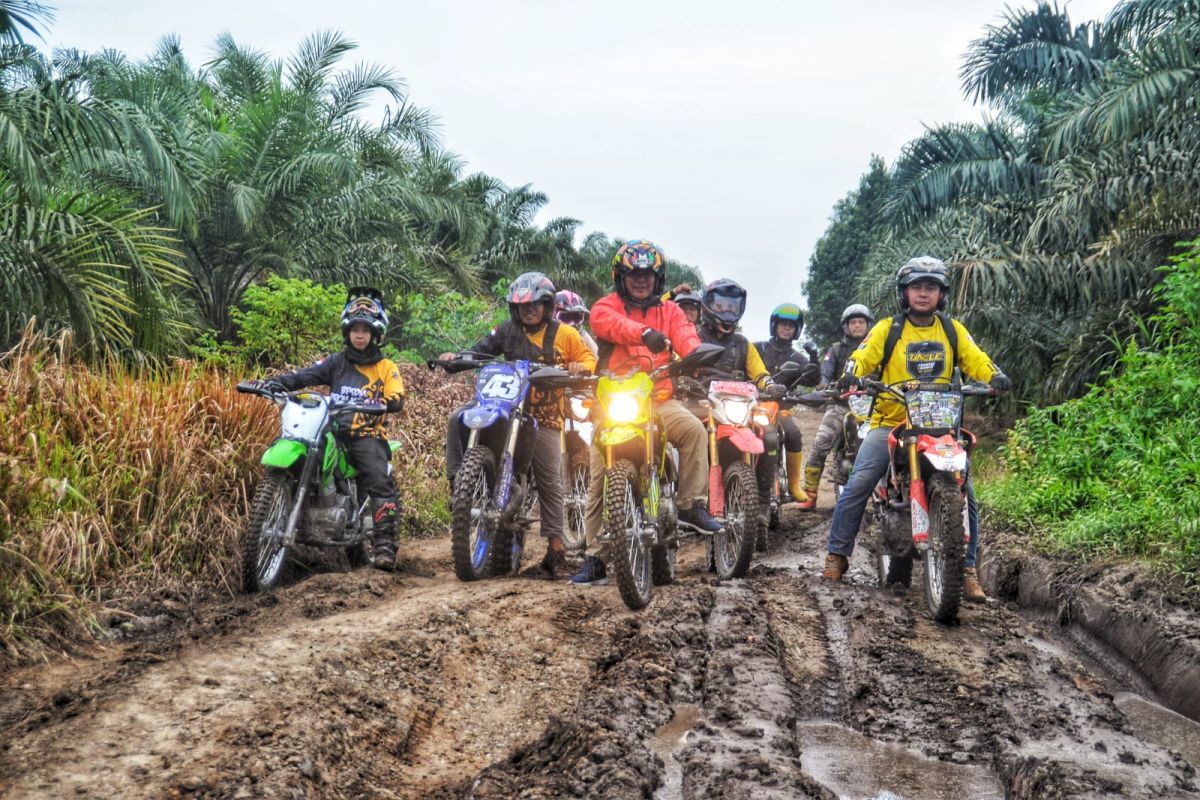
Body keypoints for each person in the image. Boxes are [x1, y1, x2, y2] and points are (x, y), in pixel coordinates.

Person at [823, 257, 1012, 603]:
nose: (923, 293)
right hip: (891, 422)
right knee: (860, 482)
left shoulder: (952, 330)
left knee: (966, 492)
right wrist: (851, 372)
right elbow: (862, 357)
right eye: (917, 287)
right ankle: (837, 555)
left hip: (941, 427)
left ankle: (968, 571)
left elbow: (977, 359)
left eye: (931, 287)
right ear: (904, 293)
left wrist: (993, 376)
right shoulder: (887, 328)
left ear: (941, 294)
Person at [571, 241, 722, 586]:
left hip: (659, 400)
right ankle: (595, 557)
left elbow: (685, 336)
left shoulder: (671, 312)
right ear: (620, 277)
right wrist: (645, 334)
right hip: (613, 403)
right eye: (633, 274)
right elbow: (606, 323)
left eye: (647, 275)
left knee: (695, 432)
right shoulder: (606, 305)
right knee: (598, 477)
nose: (641, 281)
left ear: (657, 278)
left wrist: (696, 355)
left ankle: (690, 504)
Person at [441, 272, 596, 577]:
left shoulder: (565, 334)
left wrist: (579, 367)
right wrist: (455, 359)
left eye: (536, 305)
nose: (529, 311)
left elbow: (589, 360)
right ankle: (458, 485)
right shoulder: (506, 330)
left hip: (543, 415)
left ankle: (555, 547)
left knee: (550, 477)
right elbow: (480, 349)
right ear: (514, 308)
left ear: (547, 305)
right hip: (501, 406)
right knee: (454, 418)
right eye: (522, 306)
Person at [263, 287, 406, 571]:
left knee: (378, 478)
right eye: (355, 329)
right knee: (306, 458)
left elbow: (397, 396)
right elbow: (304, 375)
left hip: (367, 435)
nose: (360, 334)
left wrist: (386, 402)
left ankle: (384, 545)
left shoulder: (386, 367)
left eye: (366, 329)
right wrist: (274, 383)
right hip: (332, 432)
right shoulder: (336, 362)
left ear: (376, 334)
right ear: (347, 331)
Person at [693, 280, 803, 509]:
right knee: (688, 434)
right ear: (708, 305)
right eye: (721, 305)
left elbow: (760, 372)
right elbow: (679, 362)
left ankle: (763, 498)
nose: (727, 311)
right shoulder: (694, 337)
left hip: (737, 404)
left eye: (733, 306)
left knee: (769, 434)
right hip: (700, 401)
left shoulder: (743, 343)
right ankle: (686, 500)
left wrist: (770, 385)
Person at [795, 304, 874, 511]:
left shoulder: (878, 347)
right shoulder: (837, 349)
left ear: (868, 325)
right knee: (820, 444)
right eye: (853, 322)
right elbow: (825, 373)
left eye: (861, 322)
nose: (857, 326)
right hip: (841, 404)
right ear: (846, 326)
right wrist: (824, 384)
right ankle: (810, 495)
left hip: (874, 406)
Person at [754, 302, 822, 505]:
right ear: (774, 325)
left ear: (797, 330)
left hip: (781, 409)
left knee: (793, 433)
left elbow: (813, 380)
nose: (786, 328)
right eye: (783, 324)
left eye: (791, 326)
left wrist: (814, 358)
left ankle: (793, 484)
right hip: (753, 407)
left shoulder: (798, 358)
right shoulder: (757, 348)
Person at [554, 290, 598, 356]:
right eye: (567, 318)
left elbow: (599, 362)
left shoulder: (581, 336)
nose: (573, 324)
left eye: (577, 318)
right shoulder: (542, 333)